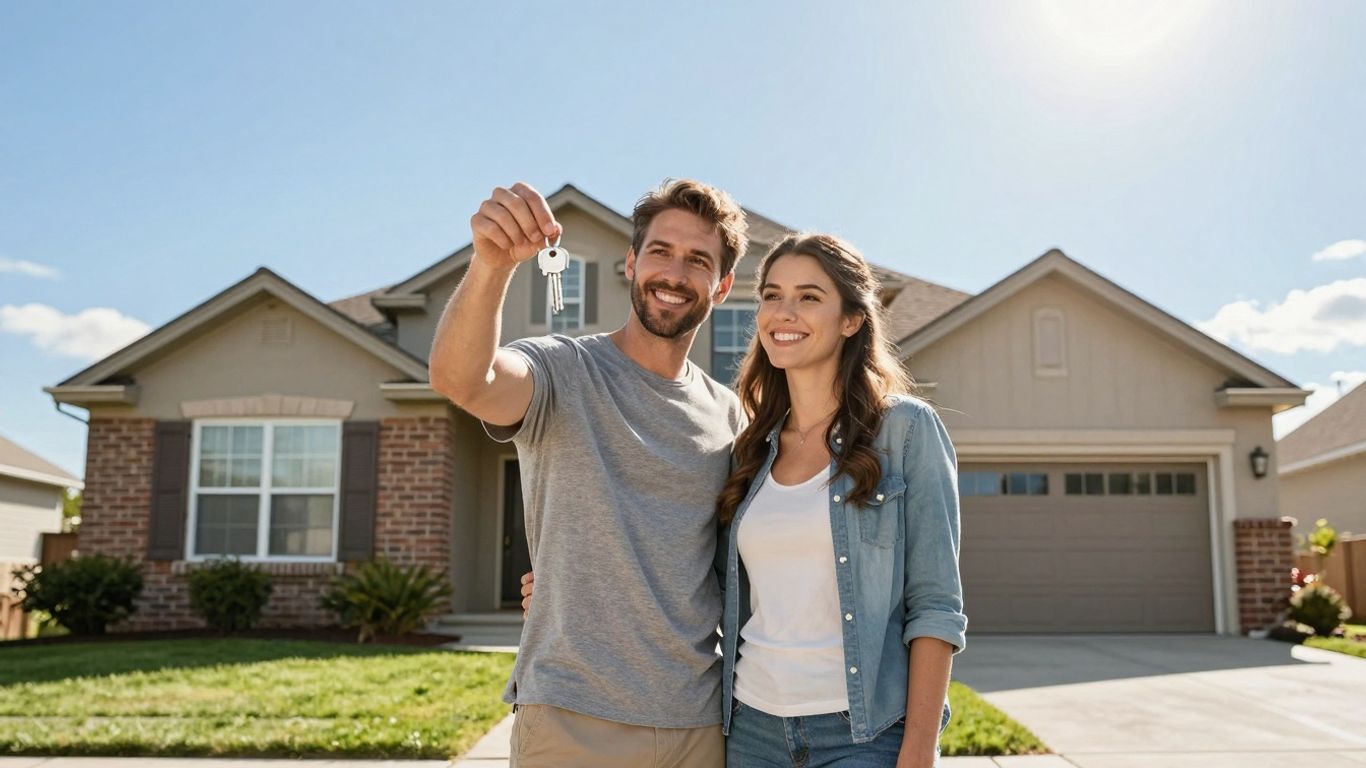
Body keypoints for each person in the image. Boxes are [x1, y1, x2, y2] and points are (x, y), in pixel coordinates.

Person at [429, 179, 749, 768]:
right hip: (574, 719)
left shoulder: (730, 414)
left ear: (722, 285)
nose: (674, 273)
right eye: (659, 251)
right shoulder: (562, 369)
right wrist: (492, 264)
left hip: (698, 723)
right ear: (630, 263)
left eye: (697, 260)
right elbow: (463, 380)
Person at [715, 232, 966, 768]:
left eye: (809, 297)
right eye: (771, 295)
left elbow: (936, 605)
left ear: (851, 319)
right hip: (750, 729)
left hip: (863, 735)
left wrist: (920, 748)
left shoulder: (904, 430)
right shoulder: (750, 449)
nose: (784, 312)